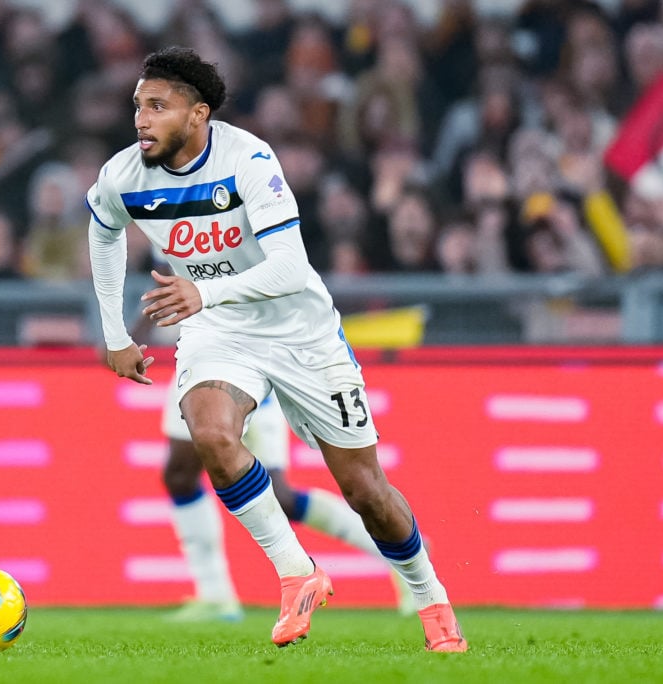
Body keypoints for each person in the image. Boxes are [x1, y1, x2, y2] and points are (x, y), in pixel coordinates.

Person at [86, 46, 466, 651]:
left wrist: (204, 293)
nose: (141, 120)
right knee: (209, 435)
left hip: (300, 331)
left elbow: (291, 266)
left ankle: (431, 598)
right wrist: (114, 334)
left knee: (366, 491)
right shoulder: (124, 176)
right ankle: (297, 573)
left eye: (158, 106)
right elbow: (102, 228)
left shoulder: (248, 159)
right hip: (220, 331)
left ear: (198, 114)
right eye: (138, 106)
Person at [160, 388, 417, 622]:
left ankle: (399, 551)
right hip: (196, 363)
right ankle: (214, 595)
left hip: (242, 372)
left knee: (279, 497)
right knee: (180, 476)